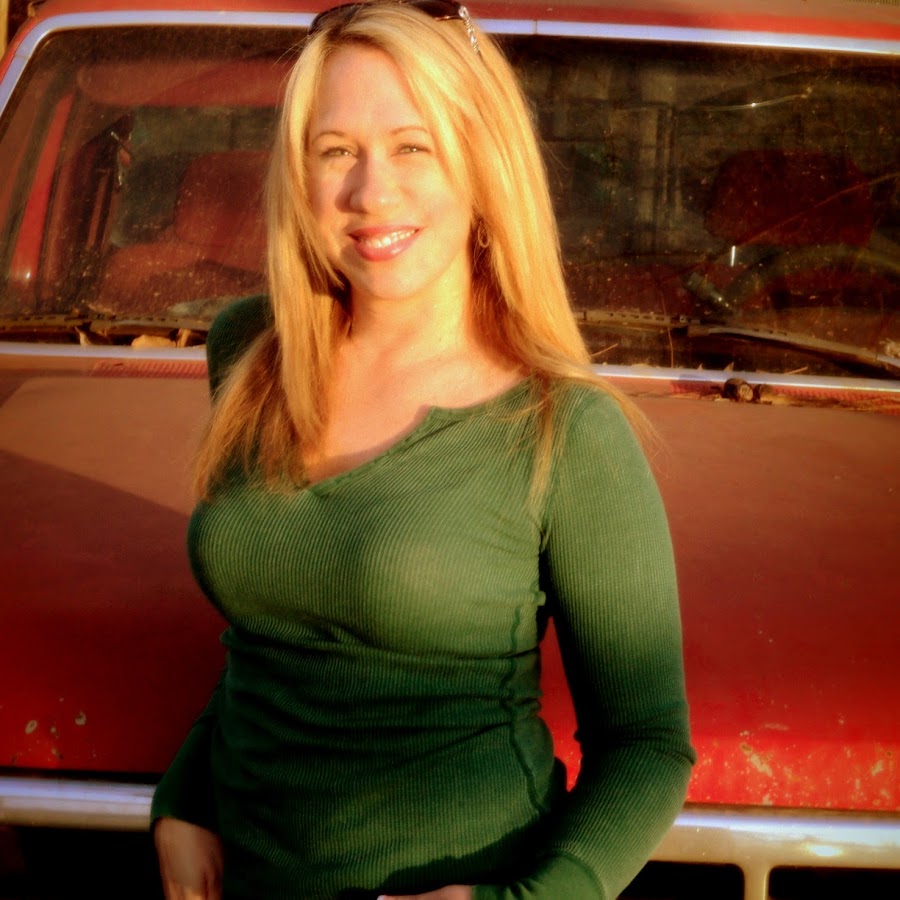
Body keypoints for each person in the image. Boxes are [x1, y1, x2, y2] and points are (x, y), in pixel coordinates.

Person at [151, 2, 695, 898]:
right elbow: (269, 638)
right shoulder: (250, 355)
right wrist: (185, 797)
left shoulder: (563, 428)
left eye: (414, 146)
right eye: (336, 151)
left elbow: (647, 746)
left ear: (482, 165)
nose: (372, 193)